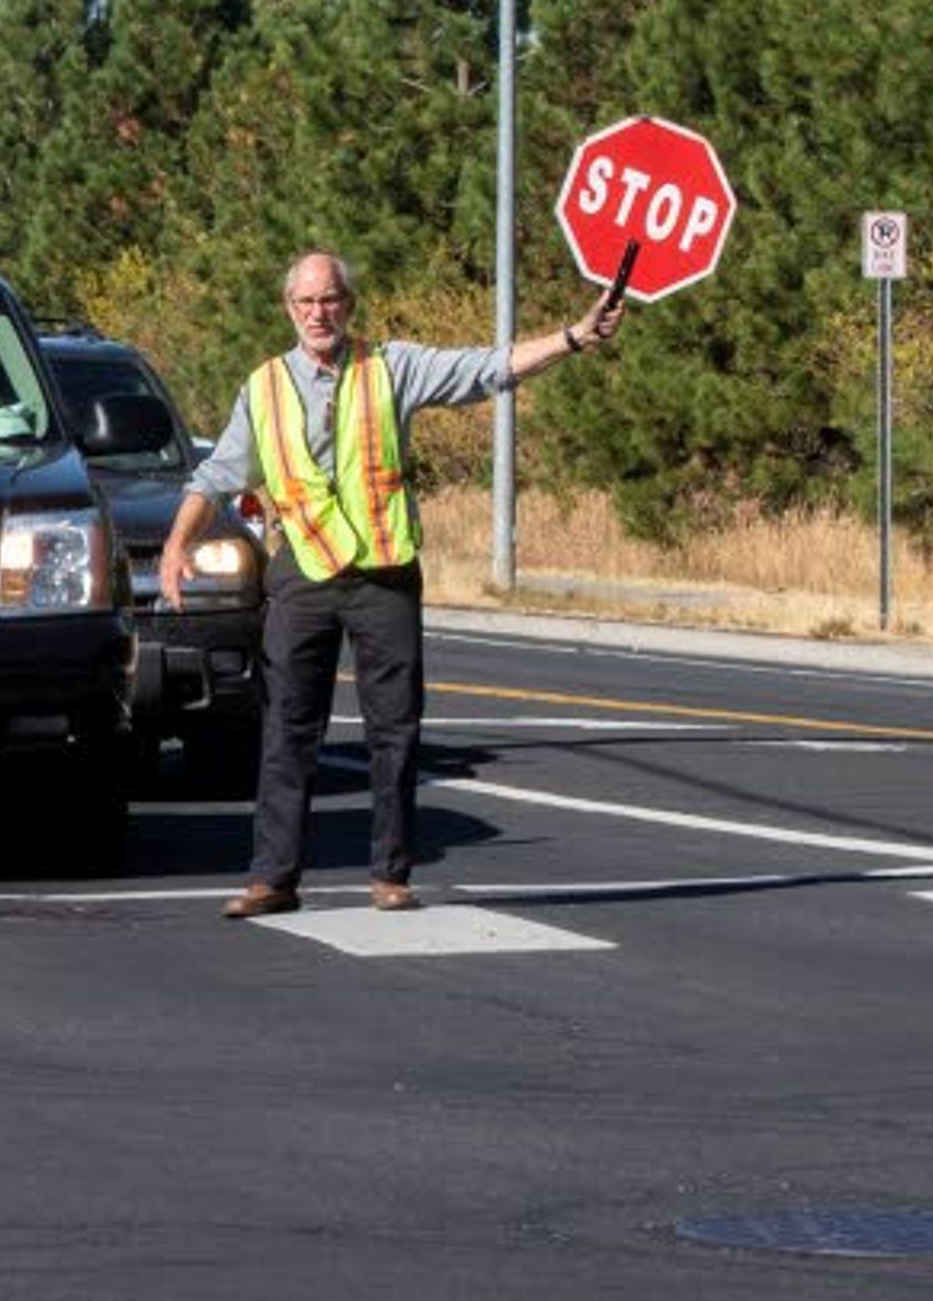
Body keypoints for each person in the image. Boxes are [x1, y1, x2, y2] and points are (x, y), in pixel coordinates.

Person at [159, 250, 626, 918]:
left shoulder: (392, 366)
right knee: (288, 728)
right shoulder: (262, 388)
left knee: (395, 729)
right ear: (289, 310)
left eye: (330, 300)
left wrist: (574, 337)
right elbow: (216, 477)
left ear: (349, 305)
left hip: (384, 574)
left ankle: (391, 873)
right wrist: (178, 544)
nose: (319, 313)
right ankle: (273, 877)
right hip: (304, 574)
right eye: (306, 303)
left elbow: (486, 369)